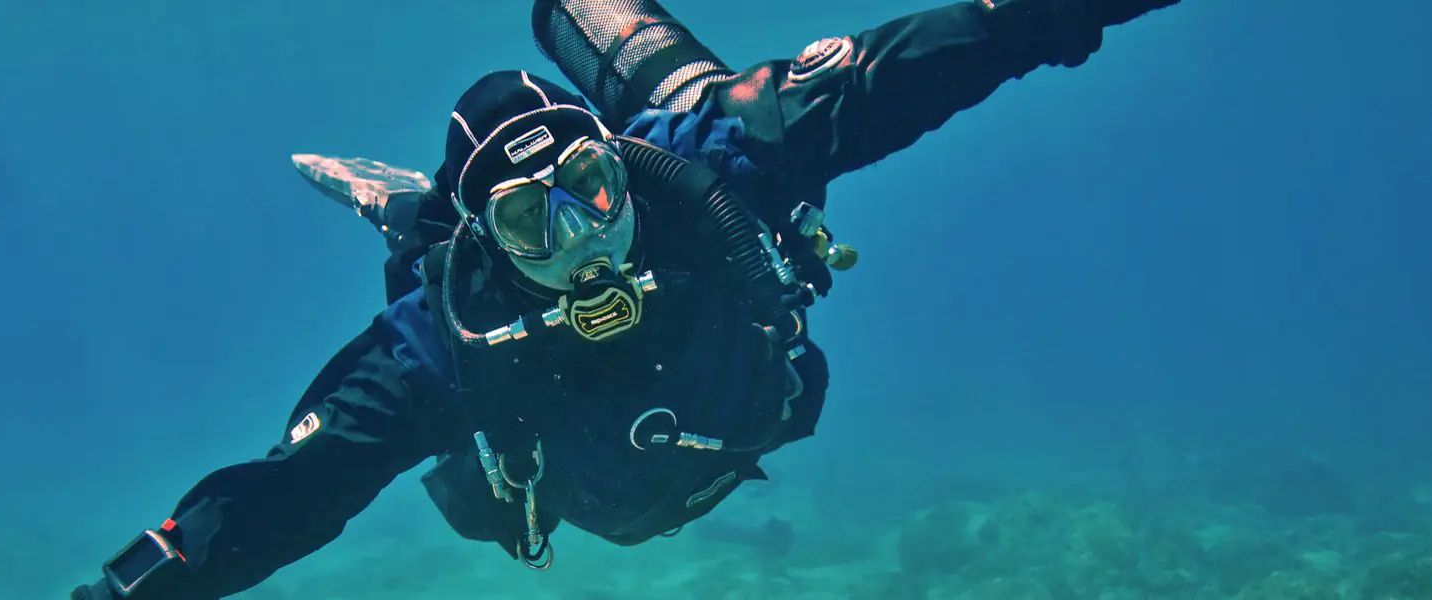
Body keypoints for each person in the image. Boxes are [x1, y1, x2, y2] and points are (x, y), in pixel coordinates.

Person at [71, 0, 1183, 597]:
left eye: (592, 190)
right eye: (529, 222)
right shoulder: (446, 338)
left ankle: (479, 184)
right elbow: (286, 496)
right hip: (579, 489)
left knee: (718, 111)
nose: (581, 239)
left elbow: (933, 59)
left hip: (745, 396)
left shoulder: (712, 166)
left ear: (624, 163)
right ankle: (416, 220)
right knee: (466, 498)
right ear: (491, 242)